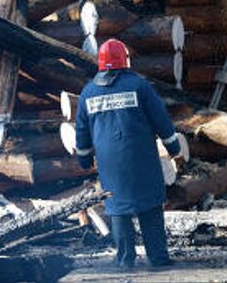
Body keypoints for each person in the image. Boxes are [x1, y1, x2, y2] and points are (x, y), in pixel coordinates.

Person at [75, 38, 182, 270]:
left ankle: (125, 259)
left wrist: (83, 157)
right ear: (125, 60)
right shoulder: (139, 86)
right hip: (141, 158)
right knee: (150, 205)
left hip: (109, 162)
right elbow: (160, 118)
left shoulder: (88, 93)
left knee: (118, 209)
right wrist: (173, 146)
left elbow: (82, 130)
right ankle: (158, 258)